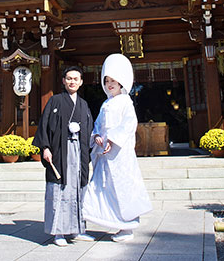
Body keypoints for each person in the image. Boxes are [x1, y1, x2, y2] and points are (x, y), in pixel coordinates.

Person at [83, 53, 152, 242]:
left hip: (119, 155)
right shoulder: (106, 103)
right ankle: (113, 223)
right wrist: (96, 136)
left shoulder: (125, 102)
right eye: (107, 81)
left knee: (121, 188)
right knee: (102, 187)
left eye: (113, 80)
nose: (110, 84)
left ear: (121, 82)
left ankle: (127, 227)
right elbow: (98, 125)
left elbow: (129, 125)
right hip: (104, 154)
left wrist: (112, 139)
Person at [32, 66, 95, 247]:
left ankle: (78, 230)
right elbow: (44, 126)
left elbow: (90, 129)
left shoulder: (84, 105)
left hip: (79, 152)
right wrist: (45, 147)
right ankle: (58, 232)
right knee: (59, 190)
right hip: (60, 152)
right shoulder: (55, 101)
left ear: (81, 82)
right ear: (63, 81)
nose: (72, 81)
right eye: (69, 78)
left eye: (76, 79)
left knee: (78, 189)